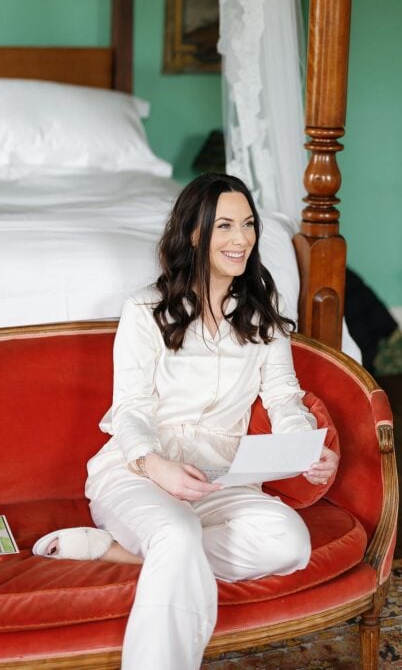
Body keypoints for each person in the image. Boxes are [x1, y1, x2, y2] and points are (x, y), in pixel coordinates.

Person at [32, 173, 339, 670]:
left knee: (289, 541)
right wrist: (156, 466)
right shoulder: (145, 309)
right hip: (139, 470)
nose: (241, 239)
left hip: (222, 477)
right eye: (225, 226)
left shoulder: (263, 311)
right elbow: (130, 408)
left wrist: (305, 449)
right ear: (194, 234)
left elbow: (284, 396)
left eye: (248, 224)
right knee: (177, 534)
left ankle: (118, 551)